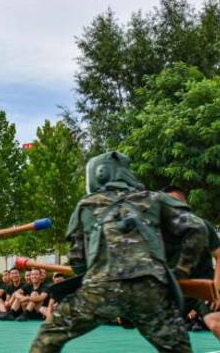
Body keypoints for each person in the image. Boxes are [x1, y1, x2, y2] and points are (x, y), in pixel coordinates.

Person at [29, 151, 207, 353]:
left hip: (100, 289)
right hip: (149, 290)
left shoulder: (86, 205)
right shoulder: (154, 199)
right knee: (178, 349)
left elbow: (78, 261)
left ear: (100, 173)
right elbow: (197, 229)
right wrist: (182, 269)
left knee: (49, 336)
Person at [163, 186, 220, 352]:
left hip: (202, 284)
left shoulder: (201, 226)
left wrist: (215, 290)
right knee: (167, 335)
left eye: (175, 202)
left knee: (216, 325)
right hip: (176, 288)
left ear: (184, 204)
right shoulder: (159, 231)